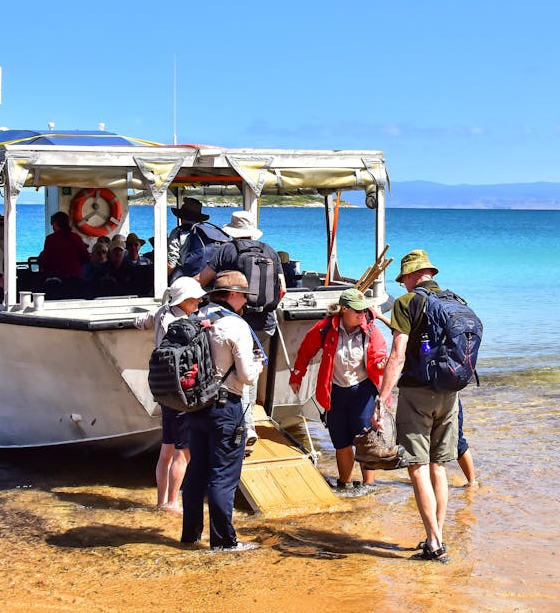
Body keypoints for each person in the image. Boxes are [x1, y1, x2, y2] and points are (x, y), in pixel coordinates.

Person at [374, 249, 461, 562]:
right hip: (449, 392)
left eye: (404, 279)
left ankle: (435, 545)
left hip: (416, 392)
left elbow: (397, 354)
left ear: (410, 276)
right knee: (439, 465)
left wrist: (383, 397)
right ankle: (435, 534)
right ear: (431, 274)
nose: (404, 284)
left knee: (417, 466)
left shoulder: (407, 302)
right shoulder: (455, 301)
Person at [181, 270, 263, 552]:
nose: (245, 302)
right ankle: (224, 542)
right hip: (226, 407)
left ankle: (190, 535)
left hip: (196, 406)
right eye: (243, 295)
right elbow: (247, 376)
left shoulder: (195, 319)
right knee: (223, 475)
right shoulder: (235, 325)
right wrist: (258, 365)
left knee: (196, 473)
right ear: (232, 295)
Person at [196, 210, 285, 449]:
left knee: (231, 371)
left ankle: (241, 427)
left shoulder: (226, 250)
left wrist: (182, 287)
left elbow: (204, 279)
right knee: (250, 369)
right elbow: (282, 290)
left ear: (232, 232)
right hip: (264, 324)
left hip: (232, 319)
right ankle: (248, 424)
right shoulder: (270, 251)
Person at [289, 288, 388, 495]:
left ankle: (368, 486)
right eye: (357, 311)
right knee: (341, 441)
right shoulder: (325, 328)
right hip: (335, 391)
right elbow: (306, 350)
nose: (362, 315)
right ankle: (345, 484)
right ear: (344, 310)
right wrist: (297, 376)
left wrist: (381, 364)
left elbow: (379, 354)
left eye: (363, 310)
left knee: (366, 440)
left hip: (363, 391)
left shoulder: (370, 330)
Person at [135, 276, 206, 512]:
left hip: (163, 389)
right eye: (194, 299)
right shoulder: (184, 325)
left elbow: (140, 321)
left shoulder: (162, 313)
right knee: (183, 451)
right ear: (184, 300)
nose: (198, 302)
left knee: (167, 446)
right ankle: (174, 502)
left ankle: (161, 500)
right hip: (181, 392)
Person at [168, 197, 229, 281]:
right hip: (211, 277)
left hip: (187, 277)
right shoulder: (210, 232)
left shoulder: (178, 232)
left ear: (182, 216)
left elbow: (172, 263)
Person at [39, 211, 88, 281]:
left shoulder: (50, 239)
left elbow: (47, 259)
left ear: (55, 223)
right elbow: (85, 257)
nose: (52, 226)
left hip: (57, 277)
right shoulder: (76, 237)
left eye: (52, 224)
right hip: (75, 276)